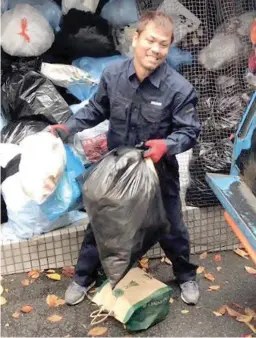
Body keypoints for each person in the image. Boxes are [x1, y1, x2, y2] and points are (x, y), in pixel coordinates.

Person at [50, 10, 201, 306]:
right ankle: (83, 276)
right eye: (151, 41)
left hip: (158, 171)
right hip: (117, 167)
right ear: (136, 38)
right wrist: (67, 127)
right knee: (102, 223)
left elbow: (190, 132)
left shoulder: (179, 89)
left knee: (171, 227)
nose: (155, 50)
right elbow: (96, 109)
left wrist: (166, 146)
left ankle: (185, 275)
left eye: (163, 44)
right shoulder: (114, 75)